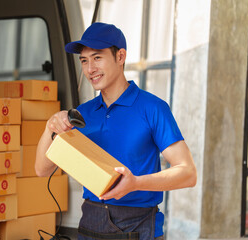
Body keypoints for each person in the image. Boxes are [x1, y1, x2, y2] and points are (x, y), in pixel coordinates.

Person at [35, 22, 197, 240]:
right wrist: (49, 128)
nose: (90, 68)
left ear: (120, 57)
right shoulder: (82, 114)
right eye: (84, 60)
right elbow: (42, 170)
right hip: (89, 223)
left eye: (97, 58)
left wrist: (137, 183)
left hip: (138, 227)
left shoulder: (152, 108)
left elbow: (187, 173)